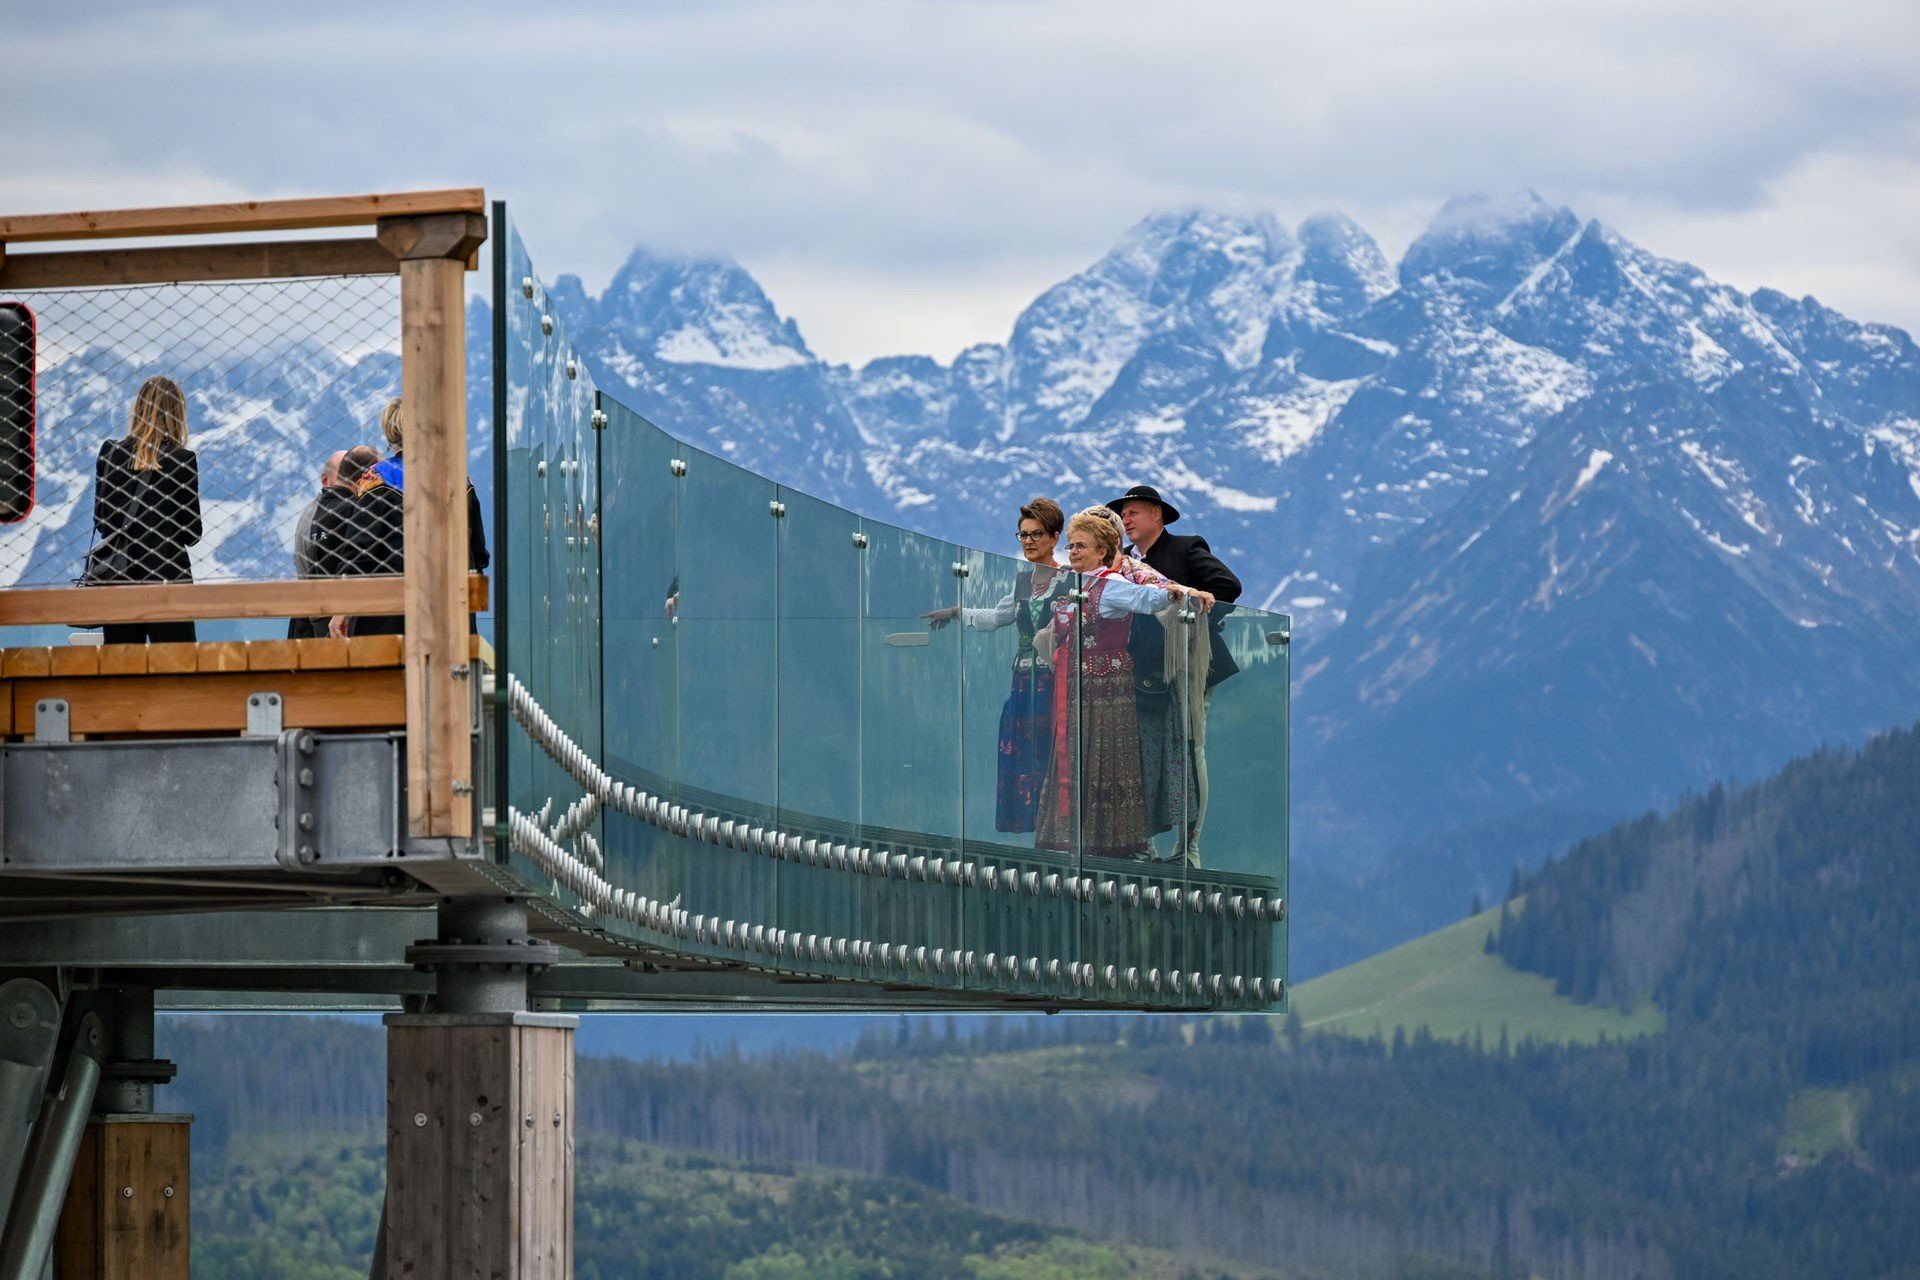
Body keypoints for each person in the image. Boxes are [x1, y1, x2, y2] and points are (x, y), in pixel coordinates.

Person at [1033, 512, 1205, 860]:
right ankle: (1077, 839)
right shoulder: (1075, 584)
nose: (1074, 552)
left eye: (1081, 546)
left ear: (1102, 551)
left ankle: (1110, 843)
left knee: (1105, 760)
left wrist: (1172, 592)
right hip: (1079, 689)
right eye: (1071, 545)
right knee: (1080, 758)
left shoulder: (1109, 585)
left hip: (1107, 690)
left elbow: (1147, 599)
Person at [1109, 484, 1242, 862]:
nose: (1126, 519)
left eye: (1134, 511)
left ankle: (1189, 849)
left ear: (1158, 515)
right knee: (1147, 754)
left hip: (1190, 667)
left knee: (1191, 749)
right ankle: (1146, 846)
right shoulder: (1128, 562)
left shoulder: (1185, 547)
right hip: (1148, 673)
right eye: (1124, 514)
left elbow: (1228, 587)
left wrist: (1192, 612)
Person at [925, 497, 1067, 832]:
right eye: (1023, 535)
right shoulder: (1022, 583)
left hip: (1054, 681)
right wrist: (958, 613)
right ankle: (1033, 827)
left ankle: (1058, 830)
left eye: (1036, 534)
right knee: (1021, 752)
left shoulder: (1068, 581)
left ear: (1054, 537)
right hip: (1022, 681)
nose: (1028, 542)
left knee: (1050, 753)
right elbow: (998, 616)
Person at [327, 398, 490, 637]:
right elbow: (478, 553)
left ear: (390, 434)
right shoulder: (458, 480)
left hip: (390, 617)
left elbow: (358, 552)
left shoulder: (377, 480)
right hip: (451, 613)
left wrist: (343, 607)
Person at [91, 375, 203, 644]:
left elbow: (101, 520)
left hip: (120, 578)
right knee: (180, 666)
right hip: (168, 580)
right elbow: (192, 532)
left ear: (138, 408)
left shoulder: (110, 453)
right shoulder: (182, 460)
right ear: (177, 413)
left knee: (121, 666)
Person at [288, 449, 348, 639]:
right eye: (345, 475)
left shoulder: (309, 512)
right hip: (325, 620)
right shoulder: (327, 514)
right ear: (325, 480)